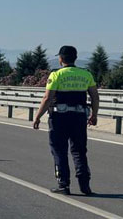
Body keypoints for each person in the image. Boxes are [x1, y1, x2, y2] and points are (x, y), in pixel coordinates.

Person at [32, 45, 99, 196]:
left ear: (61, 59)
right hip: (79, 117)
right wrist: (94, 115)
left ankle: (64, 184)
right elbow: (95, 96)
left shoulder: (56, 75)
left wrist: (37, 117)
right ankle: (85, 185)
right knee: (79, 151)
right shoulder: (86, 74)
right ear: (75, 58)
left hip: (59, 118)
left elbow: (48, 98)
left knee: (59, 151)